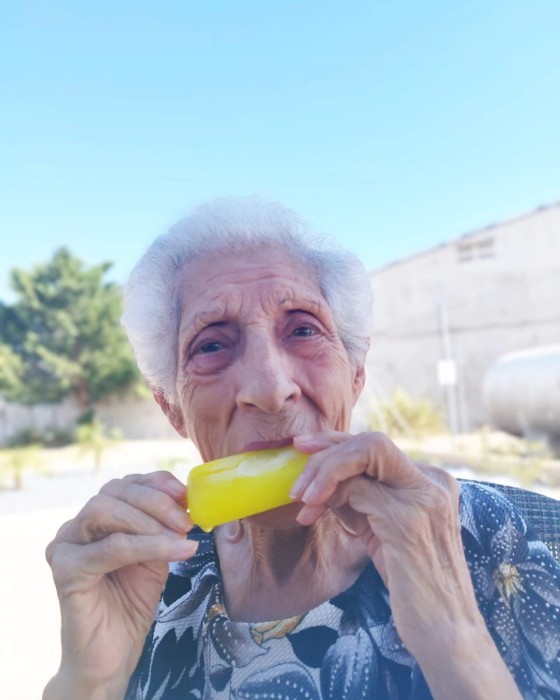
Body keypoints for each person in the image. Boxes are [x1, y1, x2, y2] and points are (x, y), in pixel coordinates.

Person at [43, 197, 560, 700]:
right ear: (172, 408)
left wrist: (454, 638)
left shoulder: (476, 534)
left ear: (356, 374)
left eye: (304, 330)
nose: (270, 389)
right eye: (212, 345)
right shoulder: (148, 573)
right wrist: (91, 683)